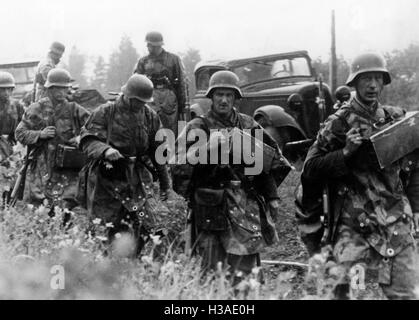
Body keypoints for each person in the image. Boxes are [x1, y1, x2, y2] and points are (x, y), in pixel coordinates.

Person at [300, 52, 419, 299]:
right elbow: (310, 171)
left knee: (406, 294)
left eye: (378, 78)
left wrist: (416, 208)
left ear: (384, 82)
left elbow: (414, 166)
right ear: (354, 83)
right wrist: (345, 153)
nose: (373, 85)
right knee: (356, 295)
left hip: (396, 225)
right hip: (355, 231)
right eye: (366, 79)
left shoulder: (396, 118)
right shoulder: (338, 124)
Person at [173, 70, 292, 282]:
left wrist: (272, 197)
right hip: (209, 206)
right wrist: (206, 148)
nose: (224, 100)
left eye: (229, 95)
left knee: (245, 272)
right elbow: (177, 165)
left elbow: (267, 162)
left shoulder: (248, 125)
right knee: (211, 271)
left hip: (244, 204)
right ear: (211, 97)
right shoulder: (197, 127)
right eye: (219, 94)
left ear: (236, 98)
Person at [78, 74, 172, 256]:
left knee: (140, 224)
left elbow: (159, 153)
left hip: (136, 179)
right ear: (127, 95)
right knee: (104, 225)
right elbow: (86, 140)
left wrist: (166, 186)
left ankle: (135, 264)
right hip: (107, 178)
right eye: (136, 101)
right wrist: (105, 150)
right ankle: (101, 266)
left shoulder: (150, 116)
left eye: (143, 102)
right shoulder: (106, 112)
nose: (139, 105)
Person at [15, 68, 90, 213]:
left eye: (65, 88)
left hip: (66, 165)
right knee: (39, 203)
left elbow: (94, 126)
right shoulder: (36, 108)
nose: (62, 92)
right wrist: (39, 134)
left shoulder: (74, 109)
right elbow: (20, 133)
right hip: (41, 164)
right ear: (50, 88)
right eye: (59, 88)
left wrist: (81, 137)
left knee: (67, 202)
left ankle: (64, 227)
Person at [134, 31, 187, 137]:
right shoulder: (143, 61)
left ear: (157, 45)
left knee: (170, 129)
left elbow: (182, 82)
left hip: (168, 98)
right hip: (149, 97)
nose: (148, 47)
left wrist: (182, 105)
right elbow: (135, 82)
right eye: (148, 45)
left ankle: (171, 151)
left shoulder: (173, 59)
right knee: (150, 126)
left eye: (150, 45)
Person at [0, 72, 25, 206]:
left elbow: (24, 124)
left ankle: (9, 204)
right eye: (2, 89)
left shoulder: (17, 105)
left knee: (14, 175)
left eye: (8, 89)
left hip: (12, 146)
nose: (6, 92)